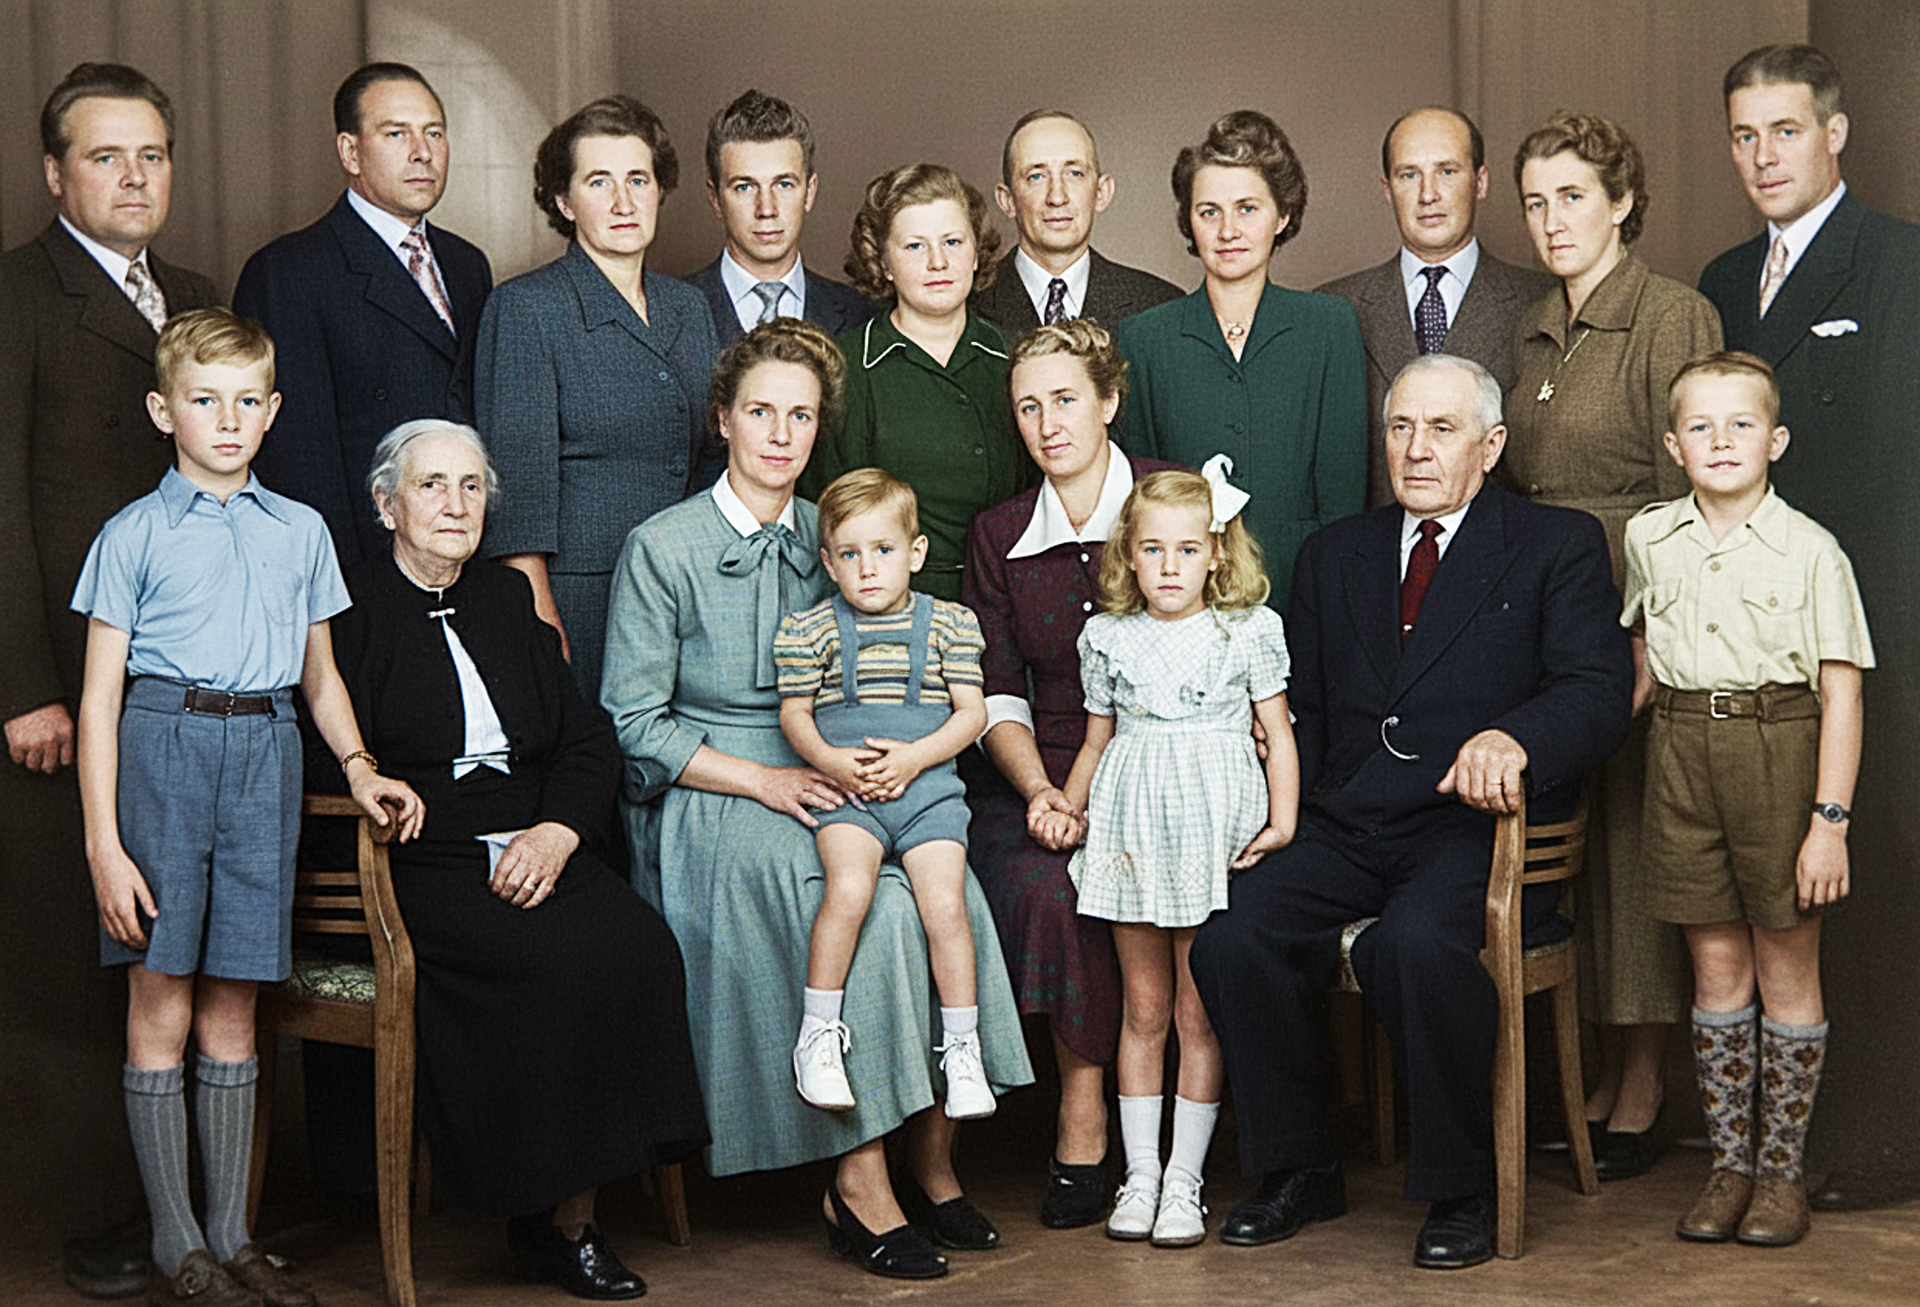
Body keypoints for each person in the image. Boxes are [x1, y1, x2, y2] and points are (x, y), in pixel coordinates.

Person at [603, 320, 1031, 1281]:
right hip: (718, 788)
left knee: (942, 891)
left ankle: (934, 1158)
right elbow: (633, 722)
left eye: (801, 415)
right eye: (761, 411)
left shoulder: (839, 535)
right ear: (724, 420)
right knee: (870, 911)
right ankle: (860, 1178)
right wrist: (763, 777)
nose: (781, 433)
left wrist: (894, 761)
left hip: (852, 773)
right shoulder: (663, 545)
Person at [1190, 354, 1632, 1270]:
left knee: (1416, 944)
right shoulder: (1334, 554)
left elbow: (1596, 689)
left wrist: (1517, 737)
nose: (1416, 449)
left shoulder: (1556, 542)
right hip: (1345, 822)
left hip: (1476, 831)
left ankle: (1462, 1185)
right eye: (1400, 428)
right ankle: (1301, 1167)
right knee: (1233, 936)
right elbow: (1295, 706)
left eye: (1441, 429)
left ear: (1491, 445)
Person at [71, 309, 424, 1307]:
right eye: (202, 399)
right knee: (163, 993)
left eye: (244, 402)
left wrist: (357, 768)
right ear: (163, 408)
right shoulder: (133, 533)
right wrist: (105, 843)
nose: (225, 420)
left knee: (235, 998)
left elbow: (319, 681)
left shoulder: (301, 530)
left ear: (271, 413)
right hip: (163, 744)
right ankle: (177, 1238)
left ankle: (234, 1234)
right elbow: (99, 698)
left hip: (265, 749)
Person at [328, 418, 709, 1299]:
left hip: (540, 835)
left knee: (639, 947)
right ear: (387, 503)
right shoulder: (347, 609)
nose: (456, 504)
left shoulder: (506, 599)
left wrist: (561, 831)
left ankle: (568, 1216)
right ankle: (550, 1221)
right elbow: (327, 747)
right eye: (432, 486)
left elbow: (587, 738)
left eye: (471, 488)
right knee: (548, 962)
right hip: (427, 857)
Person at [0, 62, 221, 1299]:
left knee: (190, 949)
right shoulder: (17, 297)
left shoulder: (195, 296)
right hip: (71, 692)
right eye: (105, 157)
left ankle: (199, 1210)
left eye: (152, 156)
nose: (135, 178)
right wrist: (25, 685)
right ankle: (113, 1218)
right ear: (55, 173)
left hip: (195, 691)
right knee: (100, 953)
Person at [1698, 50, 1920, 1209]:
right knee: (1772, 891)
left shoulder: (1901, 262)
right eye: (1744, 135)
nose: (1763, 155)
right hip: (1749, 640)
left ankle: (1880, 1137)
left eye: (1785, 130)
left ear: (1835, 134)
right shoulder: (1726, 276)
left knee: (1870, 866)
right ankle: (1779, 1147)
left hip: (1877, 617)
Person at [1506, 110, 1722, 1179]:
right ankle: (1593, 1072)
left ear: (1624, 200)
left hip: (1632, 615)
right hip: (1548, 613)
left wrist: (1642, 636)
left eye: (1574, 197)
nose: (1552, 221)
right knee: (1571, 844)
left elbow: (1699, 493)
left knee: (1637, 840)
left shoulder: (1674, 315)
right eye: (1536, 201)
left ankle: (1642, 1079)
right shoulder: (1538, 326)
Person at [1623, 352, 1872, 1248]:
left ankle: (1781, 1174)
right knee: (1717, 970)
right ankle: (1728, 1164)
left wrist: (1828, 823)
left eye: (1740, 425)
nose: (1720, 441)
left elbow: (1843, 694)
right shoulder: (1650, 538)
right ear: (1673, 444)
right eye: (1700, 426)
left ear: (1777, 440)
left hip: (1780, 750)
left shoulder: (1812, 551)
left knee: (1784, 969)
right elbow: (1644, 660)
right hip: (1681, 754)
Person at [962, 319, 1180, 1228]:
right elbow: (997, 691)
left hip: (1166, 762)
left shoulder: (1172, 512)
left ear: (1109, 402)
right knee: (1052, 881)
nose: (1047, 423)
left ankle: (1173, 1127)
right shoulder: (1000, 533)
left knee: (1130, 874)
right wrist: (1043, 792)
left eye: (1064, 399)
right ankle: (1081, 1110)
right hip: (1041, 770)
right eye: (1027, 406)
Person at [1057, 466, 1297, 1248]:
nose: (1168, 566)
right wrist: (1069, 804)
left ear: (1216, 556)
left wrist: (1284, 818)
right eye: (1152, 548)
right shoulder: (1109, 637)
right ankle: (1140, 1174)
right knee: (1145, 1008)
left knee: (1198, 1012)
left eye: (1186, 549)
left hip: (1210, 827)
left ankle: (1186, 1181)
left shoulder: (1249, 628)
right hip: (1133, 826)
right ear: (1129, 554)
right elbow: (1097, 740)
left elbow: (1279, 733)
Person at [476, 94, 720, 700]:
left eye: (639, 179)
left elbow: (712, 457)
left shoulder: (687, 307)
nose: (623, 201)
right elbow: (518, 488)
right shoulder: (527, 307)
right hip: (584, 597)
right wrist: (539, 617)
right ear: (564, 200)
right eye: (598, 181)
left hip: (687, 587)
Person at [776, 469, 993, 1120]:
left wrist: (915, 758)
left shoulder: (951, 624)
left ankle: (962, 1047)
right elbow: (794, 716)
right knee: (847, 890)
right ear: (828, 562)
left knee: (945, 905)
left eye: (884, 550)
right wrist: (832, 763)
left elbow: (972, 713)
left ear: (916, 553)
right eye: (850, 554)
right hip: (852, 793)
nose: (868, 568)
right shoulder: (808, 629)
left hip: (926, 790)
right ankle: (817, 1033)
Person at [233, 62, 492, 569]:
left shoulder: (467, 265)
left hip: (462, 562)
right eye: (396, 133)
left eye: (434, 133)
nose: (422, 152)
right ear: (350, 151)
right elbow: (300, 461)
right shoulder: (288, 271)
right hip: (364, 571)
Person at [1115, 110, 1367, 611]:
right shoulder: (1144, 338)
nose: (1228, 229)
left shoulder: (1329, 327)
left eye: (1247, 208)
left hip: (1303, 590)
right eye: (1209, 212)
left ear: (1283, 216)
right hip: (1183, 603)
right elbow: (1144, 502)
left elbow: (1343, 501)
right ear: (1189, 222)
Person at [799, 163, 1031, 603]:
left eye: (952, 242)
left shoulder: (1015, 360)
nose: (938, 262)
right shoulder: (844, 367)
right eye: (914, 246)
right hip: (884, 617)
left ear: (977, 252)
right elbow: (823, 515)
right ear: (883, 262)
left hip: (1005, 605)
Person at [1316, 106, 1551, 508]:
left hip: (1506, 556)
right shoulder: (1333, 310)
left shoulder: (1543, 303)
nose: (1428, 194)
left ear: (1480, 182)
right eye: (1409, 175)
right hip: (1374, 556)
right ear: (1387, 188)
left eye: (1447, 171)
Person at [686, 89, 871, 346]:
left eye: (784, 184)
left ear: (810, 192)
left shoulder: (861, 315)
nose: (766, 209)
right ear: (715, 198)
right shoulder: (669, 313)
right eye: (744, 187)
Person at [971, 110, 1180, 333]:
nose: (1057, 197)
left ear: (1101, 193)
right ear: (1008, 200)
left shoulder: (1161, 307)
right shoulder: (967, 306)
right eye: (1036, 177)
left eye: (1074, 174)